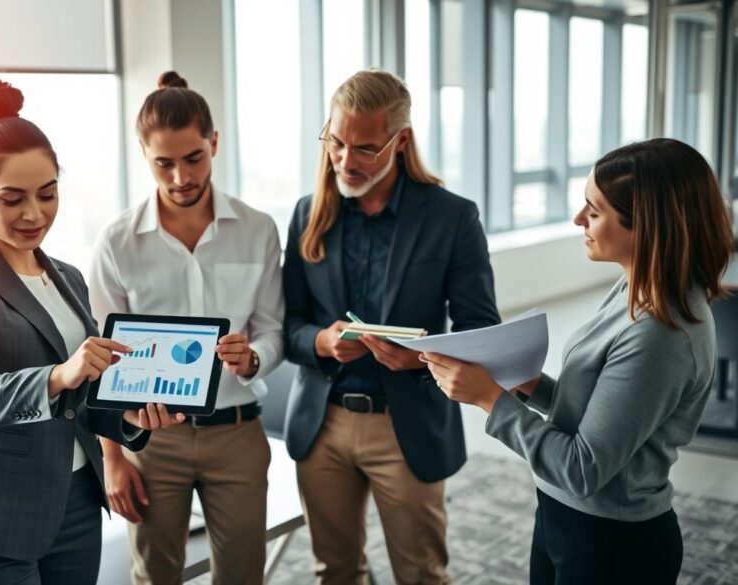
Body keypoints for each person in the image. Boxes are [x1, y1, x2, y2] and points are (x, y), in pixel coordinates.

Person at [422, 138, 734, 585]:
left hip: (611, 542)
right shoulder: (634, 289)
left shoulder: (662, 333)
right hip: (566, 516)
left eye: (594, 211)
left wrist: (491, 401)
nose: (577, 220)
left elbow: (583, 467)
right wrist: (527, 384)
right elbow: (596, 410)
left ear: (646, 224)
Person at [0, 75, 182, 585]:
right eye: (12, 199)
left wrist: (134, 415)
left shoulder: (68, 277)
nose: (34, 214)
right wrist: (58, 374)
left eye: (47, 194)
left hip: (75, 504)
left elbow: (85, 396)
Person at [282, 69, 500, 585]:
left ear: (400, 141)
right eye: (336, 142)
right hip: (323, 425)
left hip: (407, 424)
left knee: (421, 574)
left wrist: (421, 359)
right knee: (334, 572)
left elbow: (480, 328)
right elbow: (286, 323)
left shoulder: (453, 217)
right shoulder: (308, 213)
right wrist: (321, 341)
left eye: (365, 149)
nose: (345, 160)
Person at [89, 71, 284, 585]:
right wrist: (113, 457)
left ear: (214, 143)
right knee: (155, 575)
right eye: (164, 164)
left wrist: (255, 356)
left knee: (244, 575)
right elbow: (100, 359)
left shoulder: (258, 229)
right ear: (144, 155)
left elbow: (274, 331)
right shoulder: (117, 242)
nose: (180, 177)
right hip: (152, 440)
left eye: (193, 158)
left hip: (237, 432)